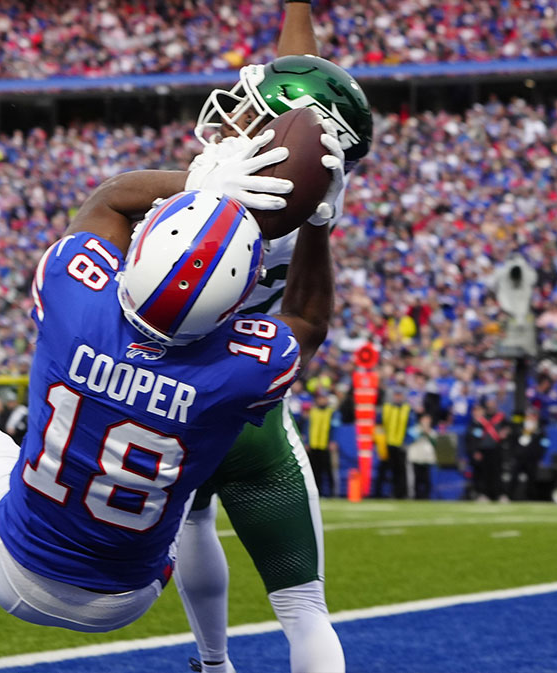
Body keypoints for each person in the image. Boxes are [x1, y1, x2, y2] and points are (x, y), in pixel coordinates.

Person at [0, 130, 339, 635]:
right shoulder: (243, 367)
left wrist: (199, 184)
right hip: (134, 592)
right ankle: (211, 654)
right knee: (187, 494)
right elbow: (308, 322)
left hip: (21, 570)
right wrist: (318, 220)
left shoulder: (73, 295)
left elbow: (110, 200)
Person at [182, 14, 371, 665]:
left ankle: (212, 661)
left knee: (194, 519)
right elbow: (305, 95)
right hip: (254, 406)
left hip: (175, 399)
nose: (237, 111)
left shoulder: (210, 186)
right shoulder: (312, 194)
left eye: (253, 108)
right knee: (303, 608)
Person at [467, 402, 506, 502]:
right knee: (483, 475)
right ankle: (483, 494)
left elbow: (507, 428)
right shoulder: (475, 424)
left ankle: (498, 494)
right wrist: (475, 451)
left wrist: (506, 431)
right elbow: (471, 440)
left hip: (495, 450)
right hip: (483, 451)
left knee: (496, 474)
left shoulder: (492, 420)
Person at [305, 390, 340, 497]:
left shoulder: (331, 412)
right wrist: (307, 442)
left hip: (325, 444)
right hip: (314, 444)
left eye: (324, 398)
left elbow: (335, 428)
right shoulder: (312, 411)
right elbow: (307, 428)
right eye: (320, 398)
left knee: (328, 470)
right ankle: (316, 492)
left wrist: (333, 441)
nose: (322, 400)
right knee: (315, 470)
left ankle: (332, 492)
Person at [381, 388, 412, 499]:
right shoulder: (387, 408)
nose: (397, 397)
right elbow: (381, 424)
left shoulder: (407, 409)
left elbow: (411, 428)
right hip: (389, 443)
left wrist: (407, 441)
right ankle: (394, 492)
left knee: (402, 470)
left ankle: (403, 493)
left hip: (401, 444)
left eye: (399, 395)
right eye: (396, 395)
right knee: (392, 470)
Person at [508, 415, 547, 501]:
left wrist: (539, 457)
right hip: (519, 458)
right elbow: (512, 444)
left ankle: (531, 497)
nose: (529, 421)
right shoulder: (519, 431)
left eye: (532, 419)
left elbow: (543, 446)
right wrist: (514, 454)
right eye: (528, 419)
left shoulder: (540, 432)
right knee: (514, 477)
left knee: (532, 479)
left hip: (532, 460)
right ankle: (509, 496)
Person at [407, 413, 437, 500]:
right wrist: (421, 432)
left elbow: (435, 444)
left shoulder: (432, 432)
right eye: (424, 420)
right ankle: (416, 496)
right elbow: (409, 440)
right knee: (416, 479)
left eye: (428, 420)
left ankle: (426, 496)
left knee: (426, 479)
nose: (426, 422)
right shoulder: (414, 430)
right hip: (416, 458)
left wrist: (427, 434)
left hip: (427, 458)